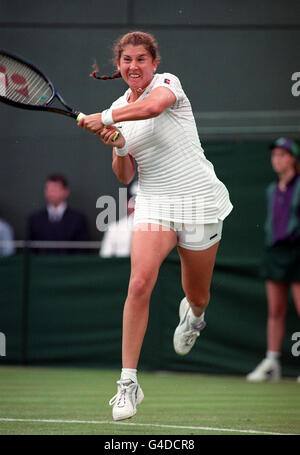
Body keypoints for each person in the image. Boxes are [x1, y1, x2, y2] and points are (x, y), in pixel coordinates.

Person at [78, 31, 233, 420]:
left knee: (197, 294)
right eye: (127, 60)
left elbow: (152, 109)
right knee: (139, 282)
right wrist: (117, 144)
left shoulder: (167, 85)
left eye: (141, 59)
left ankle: (194, 317)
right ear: (118, 66)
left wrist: (106, 119)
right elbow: (125, 173)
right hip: (154, 205)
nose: (134, 66)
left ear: (154, 63)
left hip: (199, 204)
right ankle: (128, 383)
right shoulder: (117, 106)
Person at [247, 138, 300, 383]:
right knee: (275, 310)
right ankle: (272, 363)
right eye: (274, 155)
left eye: (282, 155)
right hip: (275, 252)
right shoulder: (271, 189)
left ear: (293, 159)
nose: (276, 159)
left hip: (297, 251)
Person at [28, 173, 90, 254]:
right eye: (48, 189)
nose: (51, 193)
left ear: (66, 192)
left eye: (55, 189)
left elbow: (82, 251)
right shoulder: (34, 219)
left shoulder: (78, 219)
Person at [100, 180, 137, 258]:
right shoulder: (114, 228)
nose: (136, 204)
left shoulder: (157, 230)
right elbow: (105, 257)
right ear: (127, 202)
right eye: (133, 200)